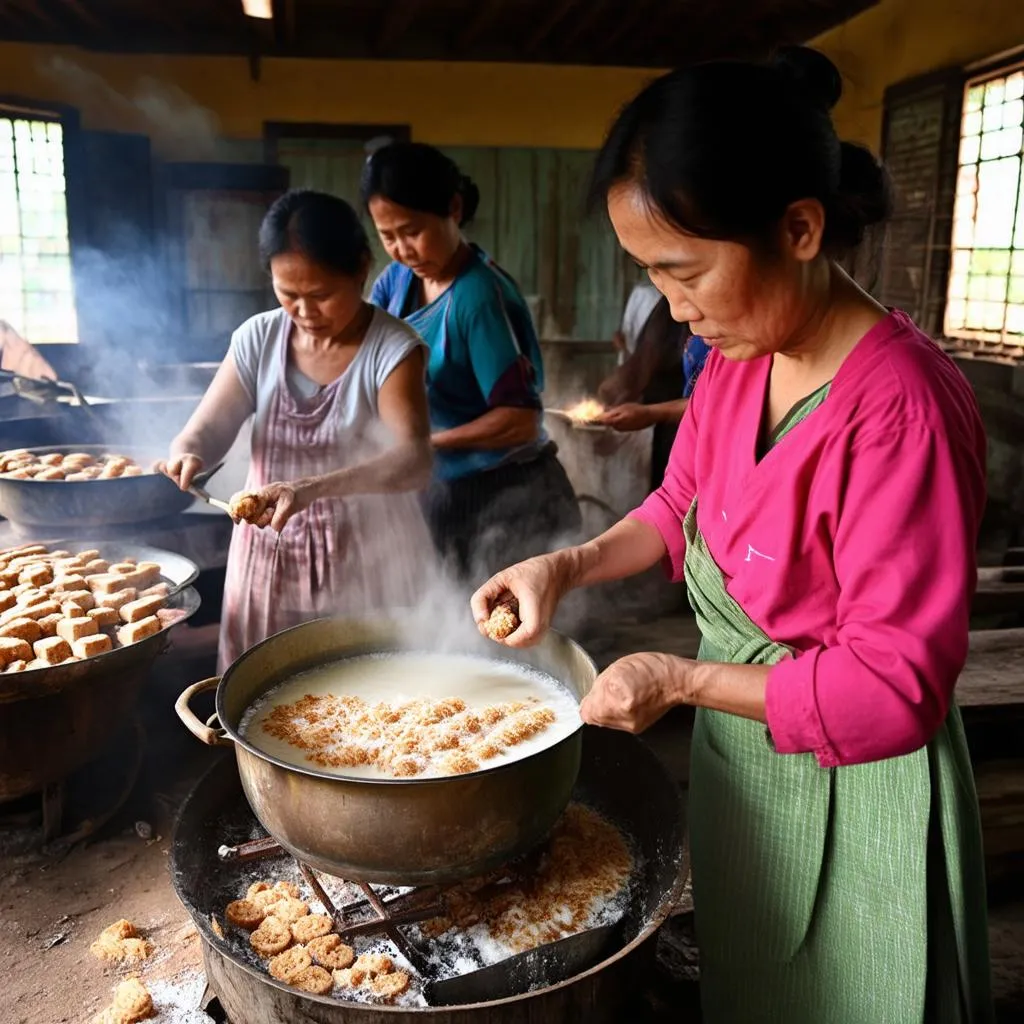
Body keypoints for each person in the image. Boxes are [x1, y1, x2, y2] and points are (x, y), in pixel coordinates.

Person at [472, 47, 993, 1024]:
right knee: (759, 981)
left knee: (853, 993)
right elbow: (678, 508)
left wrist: (676, 679)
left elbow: (891, 688)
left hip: (857, 775)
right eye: (652, 275)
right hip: (749, 760)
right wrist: (567, 563)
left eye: (684, 270)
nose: (674, 307)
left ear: (798, 227)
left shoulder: (899, 410)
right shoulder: (735, 360)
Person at [159, 189, 435, 671]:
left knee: (369, 698)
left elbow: (413, 461)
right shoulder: (257, 339)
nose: (304, 312)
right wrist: (188, 451)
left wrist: (309, 490)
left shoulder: (392, 348)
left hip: (369, 557)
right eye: (288, 294)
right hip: (269, 557)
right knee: (264, 690)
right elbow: (208, 428)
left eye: (322, 295)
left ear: (361, 269)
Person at [362, 142, 580, 582]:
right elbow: (365, 363)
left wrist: (424, 444)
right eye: (388, 236)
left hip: (508, 497)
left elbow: (519, 420)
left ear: (454, 208)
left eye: (412, 230)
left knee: (508, 636)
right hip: (441, 492)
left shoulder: (476, 299)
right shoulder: (396, 282)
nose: (402, 249)